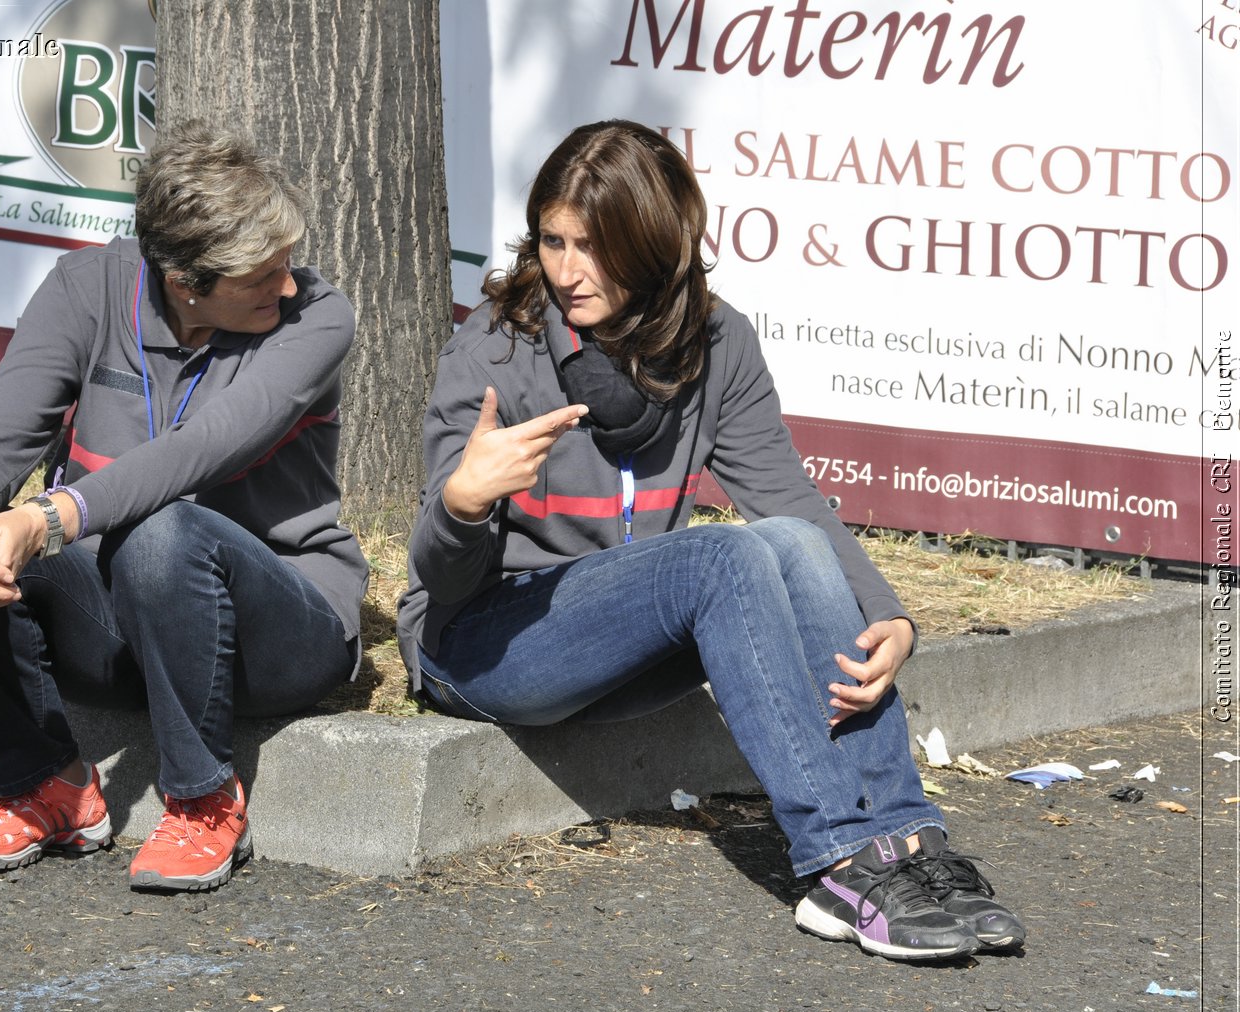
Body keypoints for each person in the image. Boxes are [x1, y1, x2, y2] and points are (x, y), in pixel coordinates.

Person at [396, 119, 1024, 962]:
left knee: (791, 543)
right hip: (480, 637)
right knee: (723, 555)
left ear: (655, 248)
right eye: (553, 240)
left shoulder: (718, 342)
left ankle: (906, 839)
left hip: (620, 638)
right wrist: (466, 502)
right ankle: (840, 860)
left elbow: (792, 499)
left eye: (595, 246)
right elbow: (439, 575)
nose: (568, 270)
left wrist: (889, 616)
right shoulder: (494, 348)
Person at [0, 119, 366, 893]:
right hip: (129, 619)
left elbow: (199, 451)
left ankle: (203, 801)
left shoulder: (317, 316)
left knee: (163, 530)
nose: (285, 285)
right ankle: (41, 781)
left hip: (282, 629)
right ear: (186, 280)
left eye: (287, 263)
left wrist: (44, 517)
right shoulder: (87, 288)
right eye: (262, 274)